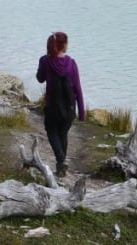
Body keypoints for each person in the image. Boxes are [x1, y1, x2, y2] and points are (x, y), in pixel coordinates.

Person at [36, 31, 85, 177]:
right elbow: (78, 88)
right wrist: (81, 112)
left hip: (52, 106)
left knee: (51, 131)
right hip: (69, 108)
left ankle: (61, 160)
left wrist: (42, 63)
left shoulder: (45, 61)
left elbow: (40, 78)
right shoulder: (72, 63)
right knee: (63, 133)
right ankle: (60, 166)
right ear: (64, 46)